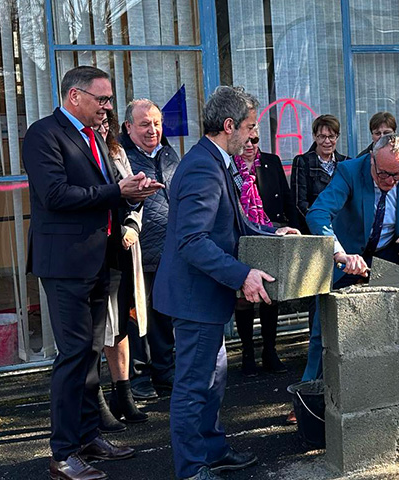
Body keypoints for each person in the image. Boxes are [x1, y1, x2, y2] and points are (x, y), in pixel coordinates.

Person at [23, 65, 162, 480]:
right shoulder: (43, 134)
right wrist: (116, 191)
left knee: (88, 353)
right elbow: (55, 195)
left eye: (109, 99)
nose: (107, 107)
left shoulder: (95, 137)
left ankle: (87, 437)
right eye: (101, 99)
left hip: (100, 260)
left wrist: (132, 194)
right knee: (72, 356)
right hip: (65, 265)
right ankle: (63, 454)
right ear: (74, 96)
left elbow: (105, 193)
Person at [153, 86, 298, 480]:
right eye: (249, 128)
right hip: (194, 298)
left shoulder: (213, 160)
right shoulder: (203, 166)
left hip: (205, 298)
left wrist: (272, 233)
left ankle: (213, 452)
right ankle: (192, 468)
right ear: (229, 125)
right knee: (193, 387)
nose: (253, 137)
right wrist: (242, 274)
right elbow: (192, 241)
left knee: (212, 382)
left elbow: (232, 225)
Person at [301, 133, 399, 382]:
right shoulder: (349, 171)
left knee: (388, 328)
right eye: (383, 174)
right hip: (346, 256)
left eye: (397, 175)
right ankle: (310, 390)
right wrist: (339, 253)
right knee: (322, 331)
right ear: (371, 159)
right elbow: (318, 213)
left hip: (387, 257)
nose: (389, 181)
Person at [121, 98, 180, 401]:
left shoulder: (169, 153)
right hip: (137, 251)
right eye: (144, 124)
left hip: (170, 251)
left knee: (164, 315)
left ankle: (165, 372)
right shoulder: (121, 157)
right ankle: (139, 377)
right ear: (128, 127)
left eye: (156, 123)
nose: (152, 130)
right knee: (136, 318)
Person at [95, 109, 149, 431]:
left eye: (107, 124)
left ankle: (123, 393)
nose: (103, 128)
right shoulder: (82, 152)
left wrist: (132, 225)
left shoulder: (117, 151)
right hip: (96, 250)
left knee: (121, 324)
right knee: (101, 326)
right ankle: (97, 401)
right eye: (98, 123)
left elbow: (134, 198)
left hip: (123, 247)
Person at [232, 124, 301, 376]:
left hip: (272, 236)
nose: (250, 145)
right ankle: (247, 353)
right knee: (244, 298)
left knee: (270, 294)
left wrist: (294, 228)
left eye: (255, 140)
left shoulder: (271, 161)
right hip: (242, 237)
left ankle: (270, 351)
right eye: (246, 141)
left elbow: (287, 199)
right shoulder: (229, 166)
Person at [290, 114, 348, 218]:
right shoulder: (303, 162)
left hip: (343, 224)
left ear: (337, 137)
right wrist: (318, 221)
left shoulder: (346, 163)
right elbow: (299, 203)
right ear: (314, 136)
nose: (327, 141)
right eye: (322, 136)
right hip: (314, 223)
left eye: (331, 136)